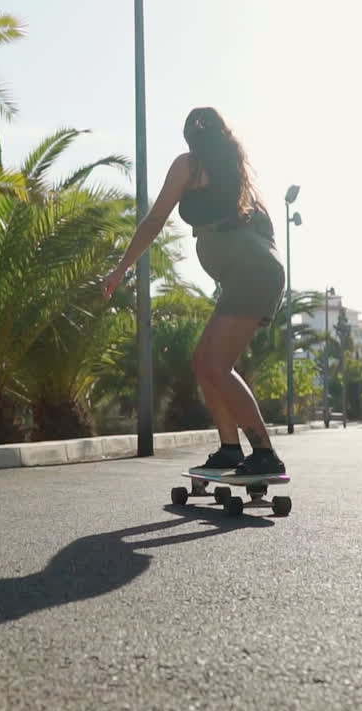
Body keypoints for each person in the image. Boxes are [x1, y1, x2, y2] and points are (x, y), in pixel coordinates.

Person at [102, 107, 286, 476]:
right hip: (255, 273)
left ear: (190, 137)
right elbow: (266, 235)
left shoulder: (189, 164)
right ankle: (230, 448)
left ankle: (265, 452)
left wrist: (120, 269)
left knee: (215, 365)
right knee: (204, 362)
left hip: (249, 274)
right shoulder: (238, 176)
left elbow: (155, 220)